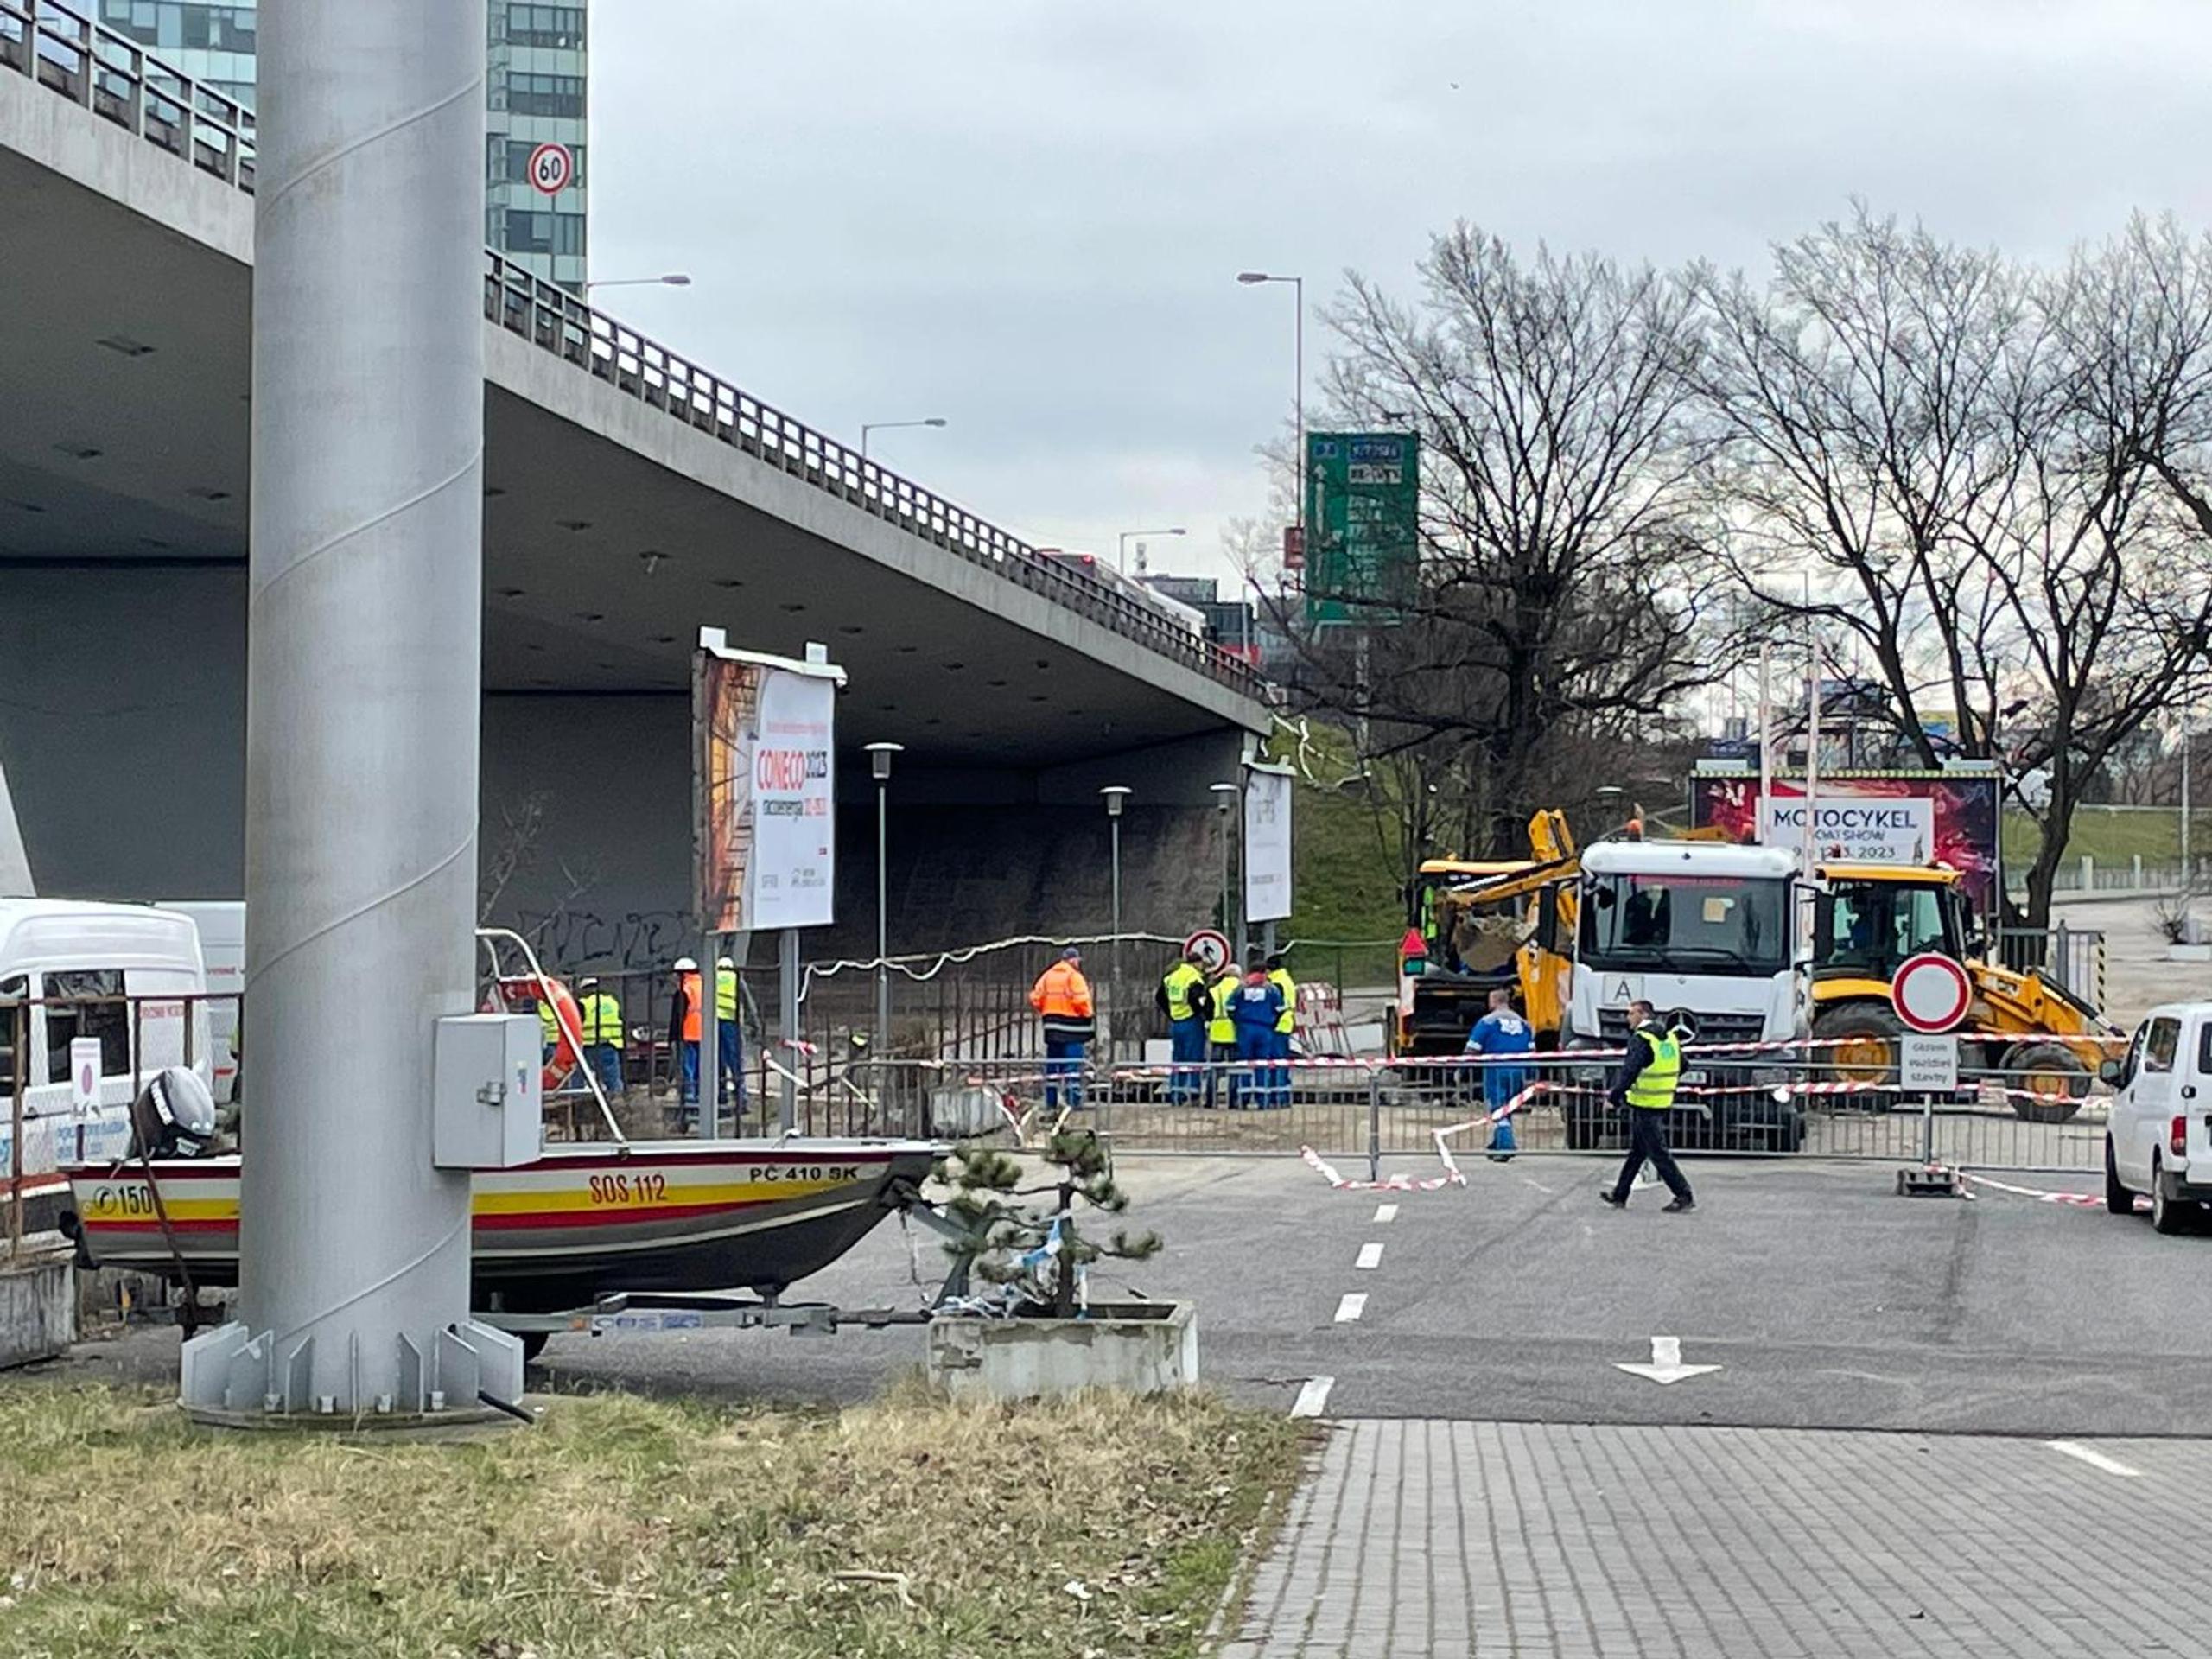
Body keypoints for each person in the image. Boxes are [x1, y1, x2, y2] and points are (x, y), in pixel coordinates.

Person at [1601, 998, 1694, 1211]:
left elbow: (1629, 1071)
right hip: (1661, 1100)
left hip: (1645, 1103)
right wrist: (1665, 1081)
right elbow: (1684, 1065)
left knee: (1658, 1153)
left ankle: (1683, 1194)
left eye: (1631, 1013)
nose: (1628, 1018)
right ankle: (1620, 1194)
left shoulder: (1641, 1039)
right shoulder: (1669, 1037)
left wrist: (1613, 1098)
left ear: (1643, 1015)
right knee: (1638, 1152)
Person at [1462, 987, 1531, 1160]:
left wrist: (1462, 1069)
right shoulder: (1523, 1023)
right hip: (1519, 1071)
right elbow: (1532, 1051)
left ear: (1493, 1002)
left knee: (1498, 1109)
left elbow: (1472, 1049)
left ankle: (1506, 1146)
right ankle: (1497, 1143)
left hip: (1496, 1070)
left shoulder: (1487, 1022)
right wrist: (1531, 1076)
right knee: (1508, 1108)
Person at [1029, 947, 1095, 1113]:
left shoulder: (1047, 976)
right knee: (1072, 1066)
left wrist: (1048, 1010)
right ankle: (1074, 1102)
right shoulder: (1074, 977)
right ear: (1073, 960)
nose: (1078, 964)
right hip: (1071, 1029)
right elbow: (1082, 1001)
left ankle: (1051, 1102)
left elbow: (1035, 998)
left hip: (1051, 1027)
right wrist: (1087, 1014)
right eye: (1077, 961)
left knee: (1053, 1067)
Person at [1229, 959, 1287, 1109]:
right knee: (1262, 1064)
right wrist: (1272, 1022)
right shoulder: (1271, 989)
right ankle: (1263, 1100)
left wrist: (1238, 1020)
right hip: (1265, 1029)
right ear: (1264, 972)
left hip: (1245, 1029)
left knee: (1244, 1064)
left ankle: (1243, 1099)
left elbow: (1229, 1007)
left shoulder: (1241, 988)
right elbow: (1280, 1009)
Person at [1157, 949, 1210, 1105]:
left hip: (1176, 1022)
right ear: (1197, 963)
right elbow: (1197, 1000)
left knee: (1178, 1060)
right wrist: (1202, 1015)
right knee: (1193, 1060)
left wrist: (1171, 1014)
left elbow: (1159, 997)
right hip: (1191, 1022)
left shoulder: (1171, 977)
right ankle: (1192, 1095)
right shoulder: (1194, 978)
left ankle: (1176, 1094)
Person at [576, 976, 625, 1100]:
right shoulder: (611, 1001)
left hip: (590, 1046)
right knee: (612, 1079)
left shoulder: (583, 1003)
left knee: (584, 1077)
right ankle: (618, 1104)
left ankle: (583, 1101)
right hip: (610, 1044)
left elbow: (576, 1023)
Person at [670, 957, 702, 1124]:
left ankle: (689, 1096)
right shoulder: (704, 985)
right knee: (699, 1067)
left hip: (688, 1032)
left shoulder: (685, 988)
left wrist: (673, 1036)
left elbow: (678, 1015)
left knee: (687, 1066)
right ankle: (699, 1095)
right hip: (704, 1033)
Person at [1205, 961, 1242, 1109]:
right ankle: (1233, 1101)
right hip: (1235, 1032)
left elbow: (1207, 1012)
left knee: (1214, 1069)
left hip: (1217, 1032)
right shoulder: (1241, 988)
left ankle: (1210, 1100)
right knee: (1234, 1069)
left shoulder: (1214, 990)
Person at [715, 955, 747, 1113]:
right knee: (735, 1060)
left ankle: (721, 1096)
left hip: (715, 1023)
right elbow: (747, 1002)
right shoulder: (736, 978)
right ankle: (741, 1097)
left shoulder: (712, 978)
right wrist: (754, 1024)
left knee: (718, 1061)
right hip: (732, 1022)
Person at [1265, 953, 1299, 1092]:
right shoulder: (1286, 979)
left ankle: (1276, 1094)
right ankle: (1283, 1093)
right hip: (1286, 1022)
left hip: (1277, 1024)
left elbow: (1274, 1006)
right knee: (1282, 1061)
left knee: (1275, 1062)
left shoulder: (1275, 983)